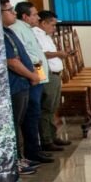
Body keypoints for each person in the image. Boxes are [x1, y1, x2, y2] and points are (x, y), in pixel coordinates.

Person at [1, 0, 40, 176]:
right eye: (9, 10)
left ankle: (21, 157)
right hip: (15, 85)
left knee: (19, 123)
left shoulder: (9, 31)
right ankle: (15, 161)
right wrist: (32, 75)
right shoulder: (0, 34)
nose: (14, 13)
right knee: (14, 124)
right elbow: (12, 61)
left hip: (22, 84)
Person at [11, 2, 52, 165]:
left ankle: (36, 149)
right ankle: (32, 151)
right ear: (25, 16)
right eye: (34, 14)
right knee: (31, 114)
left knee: (35, 113)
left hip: (37, 75)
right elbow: (23, 55)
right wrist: (34, 73)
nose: (38, 17)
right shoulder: (17, 28)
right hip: (31, 76)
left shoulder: (27, 29)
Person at [34, 11, 71, 151]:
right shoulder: (36, 34)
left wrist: (61, 54)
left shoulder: (46, 36)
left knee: (53, 108)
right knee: (47, 108)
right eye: (52, 25)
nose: (54, 28)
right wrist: (58, 54)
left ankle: (53, 136)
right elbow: (41, 54)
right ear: (43, 23)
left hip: (55, 75)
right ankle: (46, 140)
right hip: (47, 75)